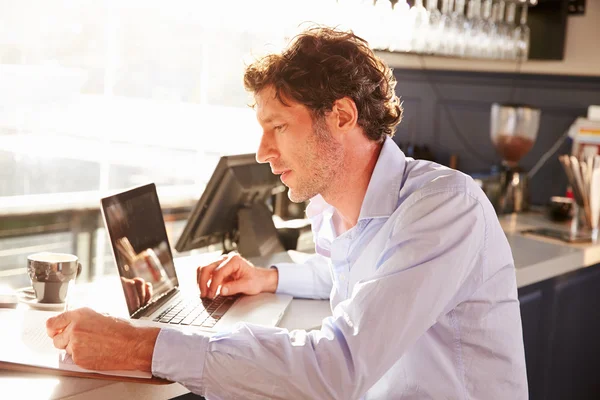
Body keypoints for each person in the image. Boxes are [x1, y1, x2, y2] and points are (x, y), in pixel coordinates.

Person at [46, 27, 528, 399]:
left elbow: (335, 367)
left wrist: (139, 344)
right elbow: (365, 275)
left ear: (341, 116)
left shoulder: (444, 206)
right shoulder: (336, 210)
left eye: (278, 125)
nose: (261, 151)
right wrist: (269, 278)